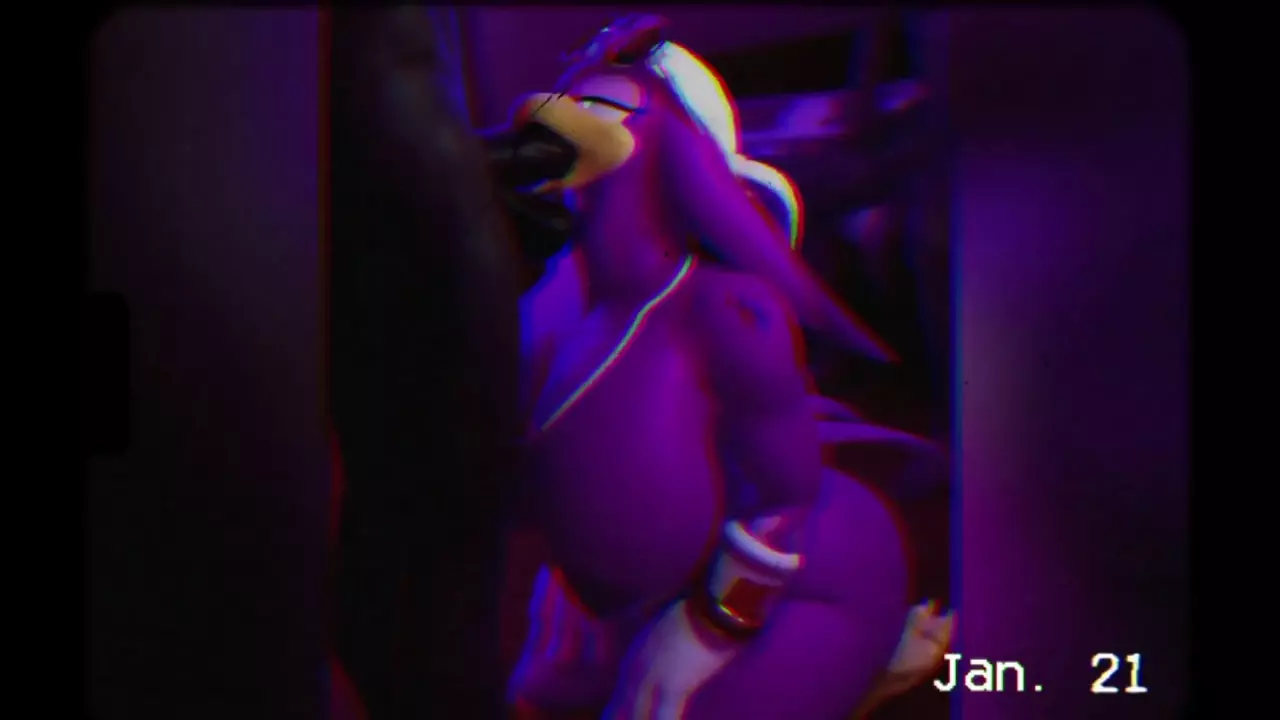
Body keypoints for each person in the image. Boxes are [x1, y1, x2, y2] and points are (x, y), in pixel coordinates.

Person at [502, 15, 951, 719]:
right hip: (634, 596)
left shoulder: (729, 310)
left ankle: (862, 666)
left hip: (795, 579)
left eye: (602, 106)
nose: (560, 120)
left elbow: (782, 502)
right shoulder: (552, 307)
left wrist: (714, 626)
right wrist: (568, 575)